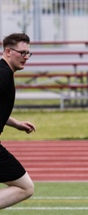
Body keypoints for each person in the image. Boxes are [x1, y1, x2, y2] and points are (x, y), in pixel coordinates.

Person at [0, 33, 36, 209]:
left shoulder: (4, 72)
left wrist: (16, 124)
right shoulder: (3, 74)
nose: (26, 57)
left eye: (28, 53)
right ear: (8, 51)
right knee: (25, 187)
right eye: (22, 53)